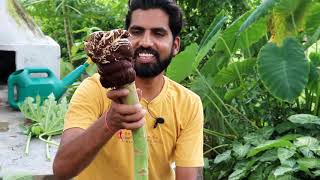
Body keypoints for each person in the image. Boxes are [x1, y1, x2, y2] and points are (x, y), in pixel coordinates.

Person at [53, 0, 204, 179]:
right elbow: (62, 169)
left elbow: (188, 175)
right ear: (124, 38)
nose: (146, 42)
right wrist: (109, 122)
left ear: (176, 45)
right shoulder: (94, 89)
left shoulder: (188, 103)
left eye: (158, 33)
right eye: (137, 32)